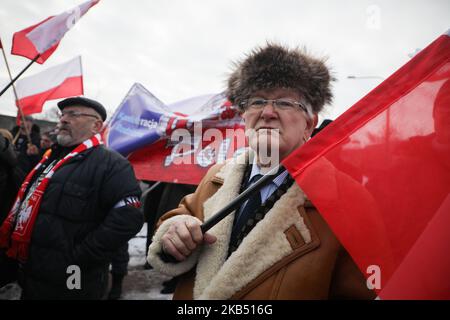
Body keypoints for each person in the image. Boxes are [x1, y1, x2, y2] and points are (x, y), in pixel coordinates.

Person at [148, 44, 376, 299]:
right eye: (257, 101)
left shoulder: (348, 200)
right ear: (245, 117)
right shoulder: (216, 178)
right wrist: (175, 231)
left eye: (285, 102)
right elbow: (180, 217)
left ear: (309, 124)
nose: (267, 112)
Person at [0, 97, 143, 299]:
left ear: (96, 125)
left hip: (73, 278)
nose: (64, 119)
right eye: (63, 114)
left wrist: (78, 258)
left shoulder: (112, 164)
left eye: (73, 114)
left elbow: (128, 218)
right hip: (32, 275)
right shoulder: (49, 159)